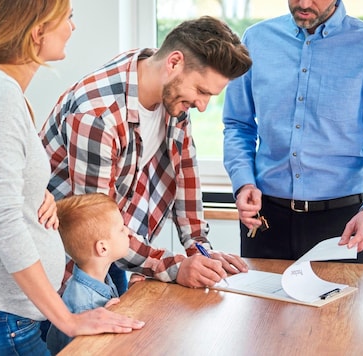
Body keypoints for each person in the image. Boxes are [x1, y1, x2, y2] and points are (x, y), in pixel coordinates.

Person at [0, 1, 144, 355]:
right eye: (68, 18)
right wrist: (67, 318)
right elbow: (0, 219)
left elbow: (1, 187)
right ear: (37, 32)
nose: (72, 28)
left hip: (0, 315)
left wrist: (38, 194)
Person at [40, 16, 252, 292]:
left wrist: (199, 249)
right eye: (201, 91)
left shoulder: (167, 90)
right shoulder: (97, 115)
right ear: (174, 62)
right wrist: (173, 266)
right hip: (66, 266)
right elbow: (95, 224)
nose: (202, 105)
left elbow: (184, 171)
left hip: (114, 251)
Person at [222, 0, 363, 263]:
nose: (304, 4)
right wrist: (244, 182)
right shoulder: (256, 40)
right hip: (265, 219)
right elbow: (238, 125)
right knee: (262, 305)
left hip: (343, 224)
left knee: (340, 307)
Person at [46, 193, 130, 354]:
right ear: (102, 248)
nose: (127, 230)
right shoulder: (84, 305)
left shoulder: (100, 278)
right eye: (121, 229)